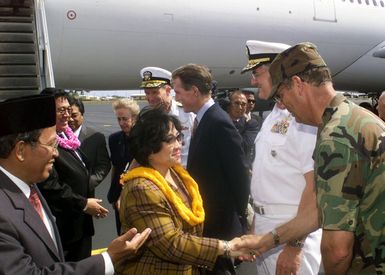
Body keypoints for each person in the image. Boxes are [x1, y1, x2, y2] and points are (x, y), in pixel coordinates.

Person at [237, 42, 385, 274]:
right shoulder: (351, 117)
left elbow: (338, 250)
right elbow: (320, 211)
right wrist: (264, 242)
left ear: (298, 84)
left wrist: (292, 248)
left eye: (282, 95)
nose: (282, 104)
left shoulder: (336, 136)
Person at [0, 94, 151, 274]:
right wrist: (108, 259)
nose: (56, 154)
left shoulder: (29, 186)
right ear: (21, 151)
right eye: (51, 145)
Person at [116, 108, 247, 274]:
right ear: (148, 147)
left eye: (178, 137)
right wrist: (226, 247)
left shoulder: (177, 173)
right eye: (169, 140)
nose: (178, 145)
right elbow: (170, 244)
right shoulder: (141, 188)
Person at [240, 40, 322, 275]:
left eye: (257, 73)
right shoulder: (274, 114)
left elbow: (314, 188)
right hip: (266, 227)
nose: (252, 81)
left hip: (292, 230)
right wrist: (256, 229)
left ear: (278, 70)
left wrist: (295, 248)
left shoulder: (303, 118)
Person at [172, 64, 250, 274]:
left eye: (179, 92)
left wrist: (241, 220)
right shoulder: (205, 119)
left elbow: (239, 175)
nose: (176, 98)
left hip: (220, 222)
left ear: (194, 91)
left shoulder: (218, 122)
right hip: (209, 218)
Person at [38, 88, 108, 261]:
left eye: (69, 110)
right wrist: (83, 203)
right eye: (61, 110)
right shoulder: (44, 143)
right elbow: (50, 186)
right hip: (64, 228)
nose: (67, 115)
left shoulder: (65, 137)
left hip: (80, 225)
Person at [140, 66, 195, 167]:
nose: (150, 98)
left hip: (185, 173)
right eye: (147, 93)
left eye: (155, 92)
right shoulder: (146, 119)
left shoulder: (188, 114)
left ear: (168, 90)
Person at [108, 98, 140, 235]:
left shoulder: (143, 139)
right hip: (118, 196)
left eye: (125, 119)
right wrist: (113, 192)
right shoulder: (114, 139)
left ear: (135, 118)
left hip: (137, 194)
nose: (121, 123)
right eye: (119, 119)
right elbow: (115, 167)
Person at [69, 97, 111, 194]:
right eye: (68, 116)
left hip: (86, 194)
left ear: (82, 115)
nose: (70, 119)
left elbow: (104, 165)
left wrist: (88, 183)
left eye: (74, 115)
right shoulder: (57, 136)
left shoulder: (95, 137)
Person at [227, 90, 259, 169]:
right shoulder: (219, 121)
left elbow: (243, 146)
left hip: (240, 169)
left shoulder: (251, 124)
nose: (240, 107)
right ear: (229, 104)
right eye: (237, 103)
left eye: (243, 104)